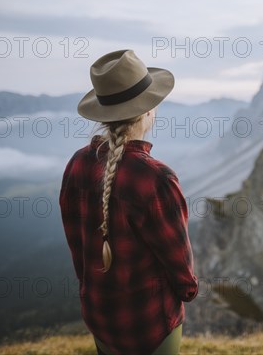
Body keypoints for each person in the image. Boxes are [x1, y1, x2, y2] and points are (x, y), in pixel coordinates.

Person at [59, 49, 199, 355]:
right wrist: (189, 290)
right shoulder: (155, 178)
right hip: (150, 323)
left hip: (99, 313)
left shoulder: (78, 163)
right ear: (148, 111)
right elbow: (179, 263)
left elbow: (76, 244)